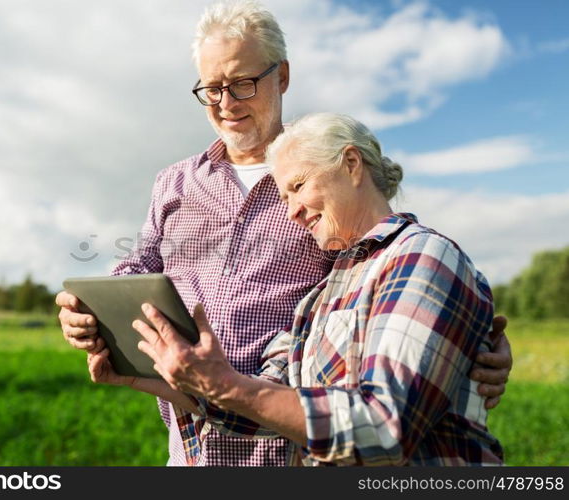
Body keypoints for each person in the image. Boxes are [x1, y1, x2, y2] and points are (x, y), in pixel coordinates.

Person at [58, 0, 511, 466]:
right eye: (212, 89)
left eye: (242, 83)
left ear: (283, 77)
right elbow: (140, 267)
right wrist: (90, 309)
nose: (226, 104)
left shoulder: (324, 170)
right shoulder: (174, 184)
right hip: (196, 441)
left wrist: (468, 341)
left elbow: (396, 274)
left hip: (295, 443)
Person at [111, 112, 504, 465]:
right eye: (284, 197)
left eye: (298, 186)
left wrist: (227, 386)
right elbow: (265, 403)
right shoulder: (321, 294)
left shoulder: (422, 256)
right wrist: (146, 377)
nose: (292, 211)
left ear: (352, 164)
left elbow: (384, 430)